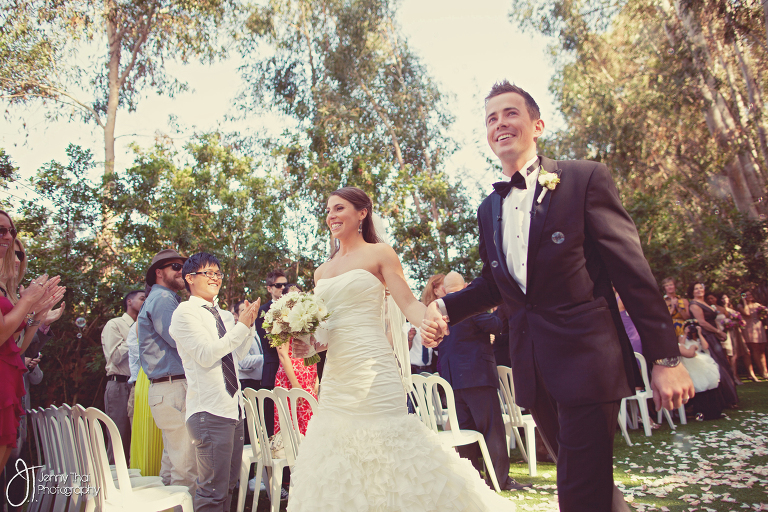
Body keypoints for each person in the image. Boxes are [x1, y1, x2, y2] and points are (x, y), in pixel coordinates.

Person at [422, 81, 693, 512]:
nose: (500, 123)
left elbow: (632, 272)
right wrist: (443, 306)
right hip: (533, 369)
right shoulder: (488, 209)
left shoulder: (585, 178)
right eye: (491, 118)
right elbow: (495, 284)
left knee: (578, 489)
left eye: (510, 113)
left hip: (588, 359)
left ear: (537, 125)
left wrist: (666, 357)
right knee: (588, 482)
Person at [289, 186, 516, 511]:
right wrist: (308, 345)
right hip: (337, 377)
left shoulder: (380, 254)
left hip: (372, 367)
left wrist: (431, 321)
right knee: (337, 451)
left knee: (388, 445)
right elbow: (327, 332)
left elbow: (408, 304)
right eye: (328, 210)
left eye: (339, 208)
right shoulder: (321, 272)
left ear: (362, 213)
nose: (331, 216)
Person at [169, 252, 259, 512]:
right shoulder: (184, 313)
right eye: (208, 273)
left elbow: (236, 355)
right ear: (190, 278)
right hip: (209, 411)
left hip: (233, 409)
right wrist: (241, 327)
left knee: (228, 485)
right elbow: (206, 354)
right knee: (212, 491)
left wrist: (249, 326)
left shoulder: (223, 315)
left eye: (218, 273)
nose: (215, 278)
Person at [438, 271, 524, 491]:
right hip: (477, 376)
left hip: (452, 380)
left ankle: (472, 479)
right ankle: (499, 480)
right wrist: (493, 312)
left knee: (464, 431)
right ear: (466, 286)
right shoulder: (469, 305)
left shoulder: (440, 312)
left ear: (445, 290)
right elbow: (496, 325)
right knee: (491, 429)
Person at [0, 211, 65, 477]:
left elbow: (18, 345)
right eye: (1, 231)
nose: (7, 238)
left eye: (10, 231)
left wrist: (38, 314)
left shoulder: (7, 292)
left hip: (9, 378)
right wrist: (28, 302)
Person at [138, 248, 196, 493]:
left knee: (172, 465)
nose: (182, 271)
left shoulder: (161, 298)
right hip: (173, 388)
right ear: (159, 273)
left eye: (183, 266)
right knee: (187, 469)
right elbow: (180, 340)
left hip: (167, 388)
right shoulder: (163, 299)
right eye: (176, 266)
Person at [101, 289, 145, 463]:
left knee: (138, 436)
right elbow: (115, 357)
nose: (145, 302)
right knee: (118, 437)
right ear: (129, 301)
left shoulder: (146, 325)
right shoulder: (115, 324)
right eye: (142, 298)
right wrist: (135, 336)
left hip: (139, 386)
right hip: (119, 385)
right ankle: (113, 476)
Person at [274, 284, 318, 437]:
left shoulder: (307, 319)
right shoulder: (281, 321)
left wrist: (316, 378)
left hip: (309, 379)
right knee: (292, 429)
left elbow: (311, 350)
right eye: (293, 295)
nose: (297, 298)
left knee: (311, 427)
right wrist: (295, 385)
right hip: (291, 379)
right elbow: (283, 355)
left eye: (300, 294)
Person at [687, 282, 738, 407]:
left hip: (713, 335)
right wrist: (718, 331)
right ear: (692, 292)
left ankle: (728, 397)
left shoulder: (705, 303)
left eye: (701, 288)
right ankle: (724, 399)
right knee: (717, 365)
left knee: (723, 363)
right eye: (696, 289)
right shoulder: (694, 304)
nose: (699, 290)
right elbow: (702, 322)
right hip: (706, 336)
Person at [255, 269, 288, 437]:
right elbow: (268, 342)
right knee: (271, 425)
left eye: (285, 285)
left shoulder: (294, 308)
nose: (283, 288)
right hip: (273, 369)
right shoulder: (263, 311)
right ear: (269, 288)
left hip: (293, 369)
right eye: (278, 285)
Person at [678, 321, 723, 420]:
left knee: (708, 380)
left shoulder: (698, 338)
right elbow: (681, 346)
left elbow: (706, 347)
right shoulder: (682, 337)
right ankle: (698, 408)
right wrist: (685, 334)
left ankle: (712, 408)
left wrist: (700, 333)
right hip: (688, 360)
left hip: (700, 359)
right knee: (698, 381)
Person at [718, 293, 758, 382]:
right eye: (722, 298)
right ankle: (733, 375)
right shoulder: (719, 309)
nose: (724, 300)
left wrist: (740, 322)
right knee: (731, 354)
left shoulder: (732, 310)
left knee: (746, 352)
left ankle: (751, 374)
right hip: (728, 333)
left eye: (725, 297)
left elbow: (741, 319)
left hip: (737, 333)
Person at [233, 300, 264, 392]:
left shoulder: (257, 331)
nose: (249, 312)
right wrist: (266, 358)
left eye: (251, 309)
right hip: (246, 382)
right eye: (244, 310)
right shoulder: (236, 334)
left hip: (260, 382)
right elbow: (243, 362)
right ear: (236, 315)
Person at [736, 289, 768, 379]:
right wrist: (744, 302)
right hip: (749, 328)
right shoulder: (740, 306)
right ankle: (761, 371)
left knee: (762, 351)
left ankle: (765, 370)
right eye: (746, 295)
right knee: (755, 350)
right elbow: (747, 313)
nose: (749, 296)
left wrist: (763, 313)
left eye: (750, 294)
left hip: (759, 328)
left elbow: (763, 316)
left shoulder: (757, 305)